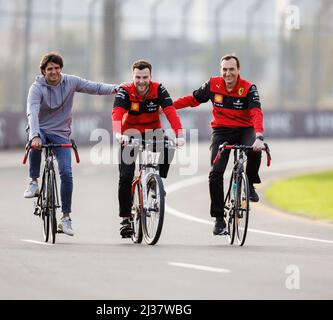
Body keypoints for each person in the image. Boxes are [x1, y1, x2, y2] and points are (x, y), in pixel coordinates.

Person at [24, 52, 118, 236]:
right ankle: (33, 181)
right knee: (34, 143)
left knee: (66, 172)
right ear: (43, 71)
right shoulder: (36, 88)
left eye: (57, 68)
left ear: (61, 69)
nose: (54, 72)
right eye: (50, 69)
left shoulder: (71, 82)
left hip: (61, 133)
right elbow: (32, 113)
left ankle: (66, 218)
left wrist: (117, 88)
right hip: (41, 129)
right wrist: (35, 135)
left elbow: (95, 87)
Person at [173, 54, 265, 236]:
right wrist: (168, 107)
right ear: (220, 70)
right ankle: (219, 219)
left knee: (255, 150)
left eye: (232, 69)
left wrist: (259, 136)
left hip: (245, 129)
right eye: (224, 69)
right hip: (221, 131)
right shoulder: (213, 84)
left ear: (238, 70)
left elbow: (256, 112)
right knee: (215, 173)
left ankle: (251, 183)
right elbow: (193, 99)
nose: (228, 73)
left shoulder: (248, 88)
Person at [112, 59, 185, 238]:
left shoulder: (159, 89)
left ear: (150, 77)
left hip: (153, 132)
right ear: (132, 77)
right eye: (138, 77)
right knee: (126, 176)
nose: (141, 81)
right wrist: (118, 134)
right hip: (129, 134)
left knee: (169, 146)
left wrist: (180, 134)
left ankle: (156, 183)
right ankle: (125, 218)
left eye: (145, 77)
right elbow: (117, 113)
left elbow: (170, 111)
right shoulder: (125, 91)